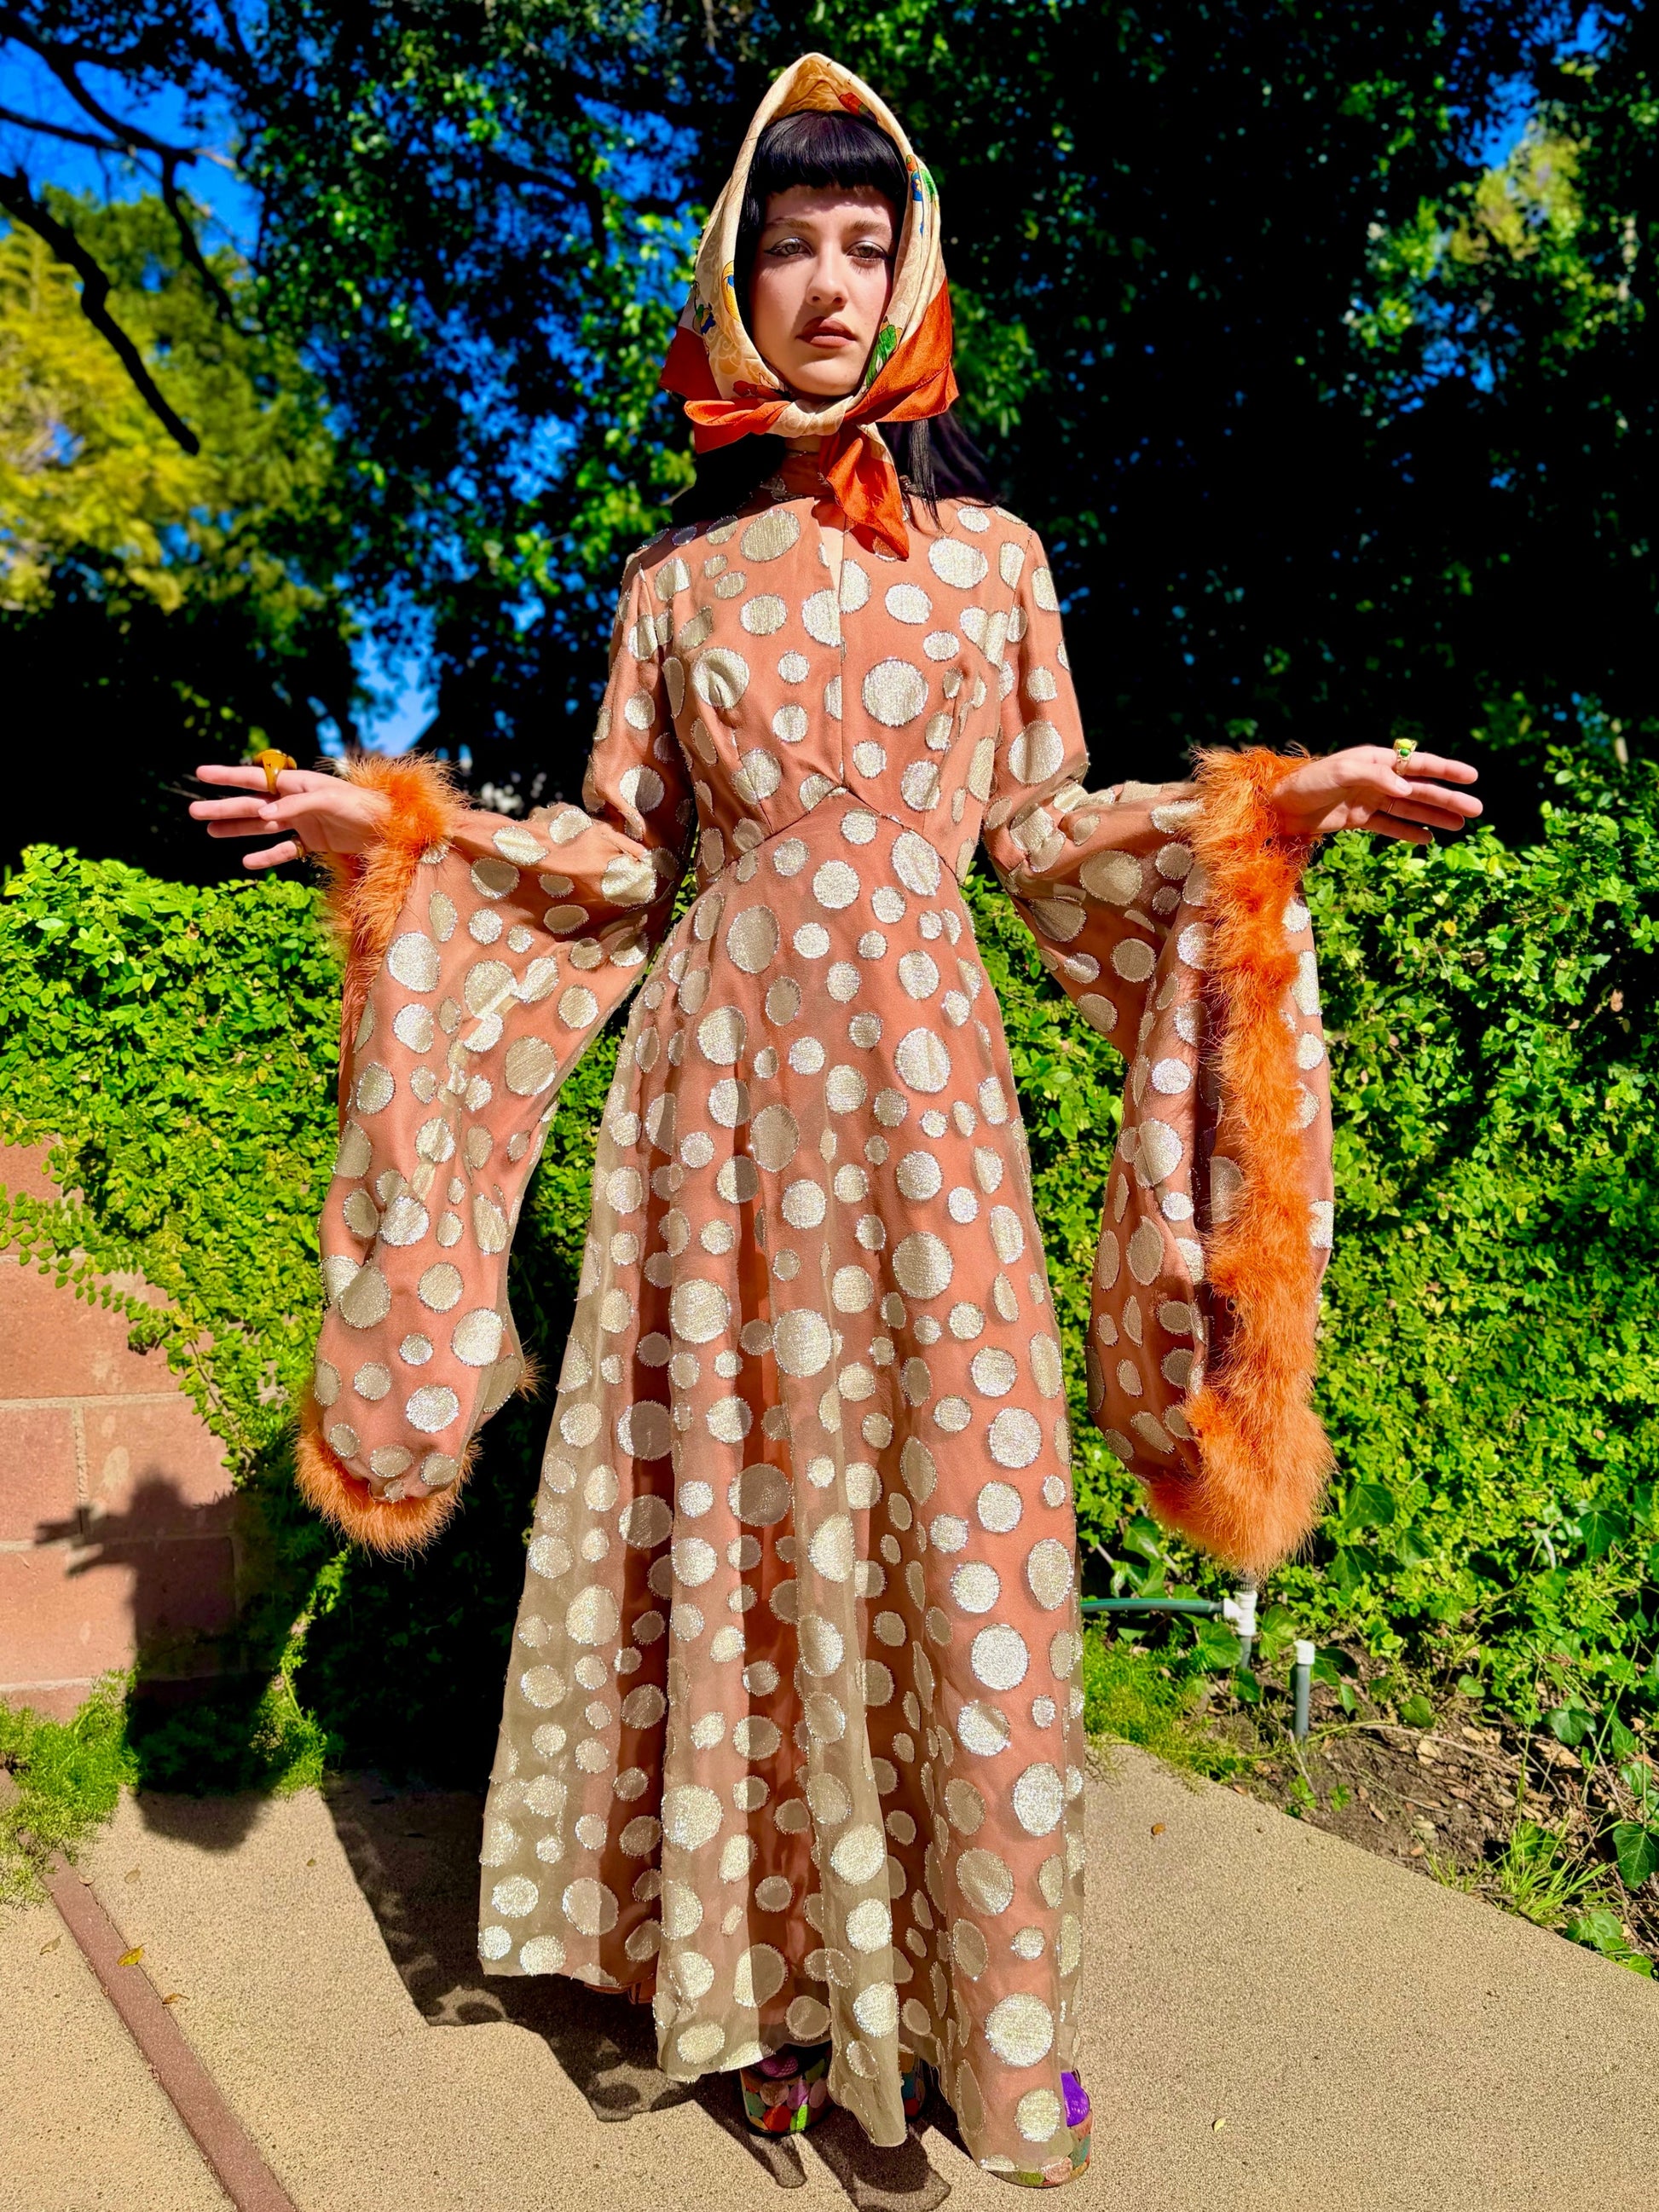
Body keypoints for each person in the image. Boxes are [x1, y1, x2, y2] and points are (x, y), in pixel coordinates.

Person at [189, 52, 1480, 2188]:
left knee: (955, 1525)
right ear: (732, 278)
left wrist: (1268, 812)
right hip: (708, 1112)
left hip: (926, 1100)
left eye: (860, 246)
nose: (819, 282)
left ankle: (987, 2009)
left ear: (912, 278)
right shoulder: (671, 590)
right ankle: (761, 1995)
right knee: (748, 1536)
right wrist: (389, 833)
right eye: (783, 244)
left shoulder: (993, 562)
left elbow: (1053, 837)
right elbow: (610, 864)